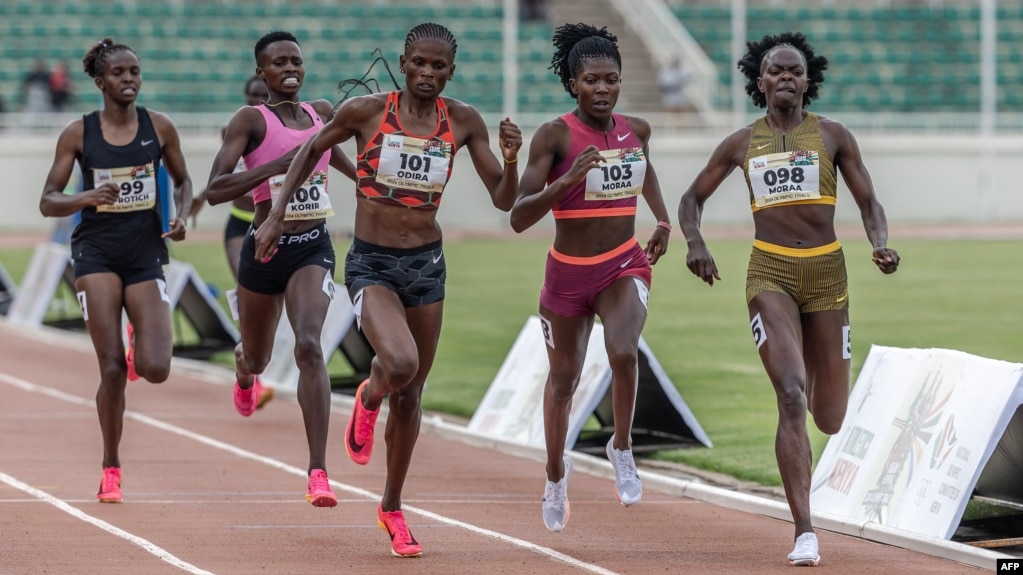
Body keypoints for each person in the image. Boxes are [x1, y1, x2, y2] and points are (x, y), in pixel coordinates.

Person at [270, 22, 521, 557]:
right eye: (420, 64)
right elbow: (310, 150)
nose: (428, 74)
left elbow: (503, 200)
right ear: (404, 63)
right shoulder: (365, 112)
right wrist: (274, 215)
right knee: (400, 364)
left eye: (439, 67)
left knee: (412, 395)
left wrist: (513, 158)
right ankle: (369, 393)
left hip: (427, 265)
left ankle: (392, 507)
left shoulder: (464, 121)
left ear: (451, 71)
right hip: (373, 264)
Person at [676, 32, 900, 566]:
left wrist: (881, 244)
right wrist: (695, 241)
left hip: (828, 274)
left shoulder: (833, 136)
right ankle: (805, 531)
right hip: (769, 271)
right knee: (792, 395)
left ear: (807, 80)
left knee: (830, 416)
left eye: (794, 71)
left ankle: (818, 437)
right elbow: (691, 198)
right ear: (760, 81)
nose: (785, 79)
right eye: (775, 71)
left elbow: (870, 202)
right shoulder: (739, 143)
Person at [508, 23, 671, 533]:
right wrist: (570, 178)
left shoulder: (636, 130)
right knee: (563, 382)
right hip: (567, 277)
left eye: (611, 80)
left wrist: (662, 221)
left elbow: (647, 173)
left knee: (623, 351)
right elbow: (518, 216)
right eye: (592, 81)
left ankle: (620, 446)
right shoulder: (554, 136)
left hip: (623, 263)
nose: (603, 90)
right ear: (573, 83)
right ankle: (556, 474)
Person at [204, 31, 356, 509]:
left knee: (310, 346)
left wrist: (366, 179)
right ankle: (244, 372)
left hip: (313, 246)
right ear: (261, 72)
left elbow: (335, 154)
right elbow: (216, 189)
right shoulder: (250, 120)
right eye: (278, 62)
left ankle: (317, 472)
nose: (289, 68)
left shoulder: (322, 113)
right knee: (258, 357)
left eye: (296, 60)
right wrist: (276, 168)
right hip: (264, 247)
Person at [38, 38, 194, 502]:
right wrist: (87, 197)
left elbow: (184, 181)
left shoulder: (159, 127)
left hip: (145, 253)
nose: (129, 79)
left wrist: (183, 216)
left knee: (156, 368)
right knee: (110, 371)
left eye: (135, 72)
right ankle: (111, 465)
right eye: (120, 73)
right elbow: (48, 200)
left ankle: (137, 343)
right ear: (100, 81)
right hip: (97, 254)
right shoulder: (79, 134)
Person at [190, 75, 273, 408]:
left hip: (279, 226)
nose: (256, 101)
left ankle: (257, 359)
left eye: (263, 96)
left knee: (274, 305)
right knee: (246, 290)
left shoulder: (287, 128)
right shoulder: (234, 130)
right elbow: (222, 177)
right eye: (252, 95)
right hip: (241, 225)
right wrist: (197, 199)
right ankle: (253, 375)